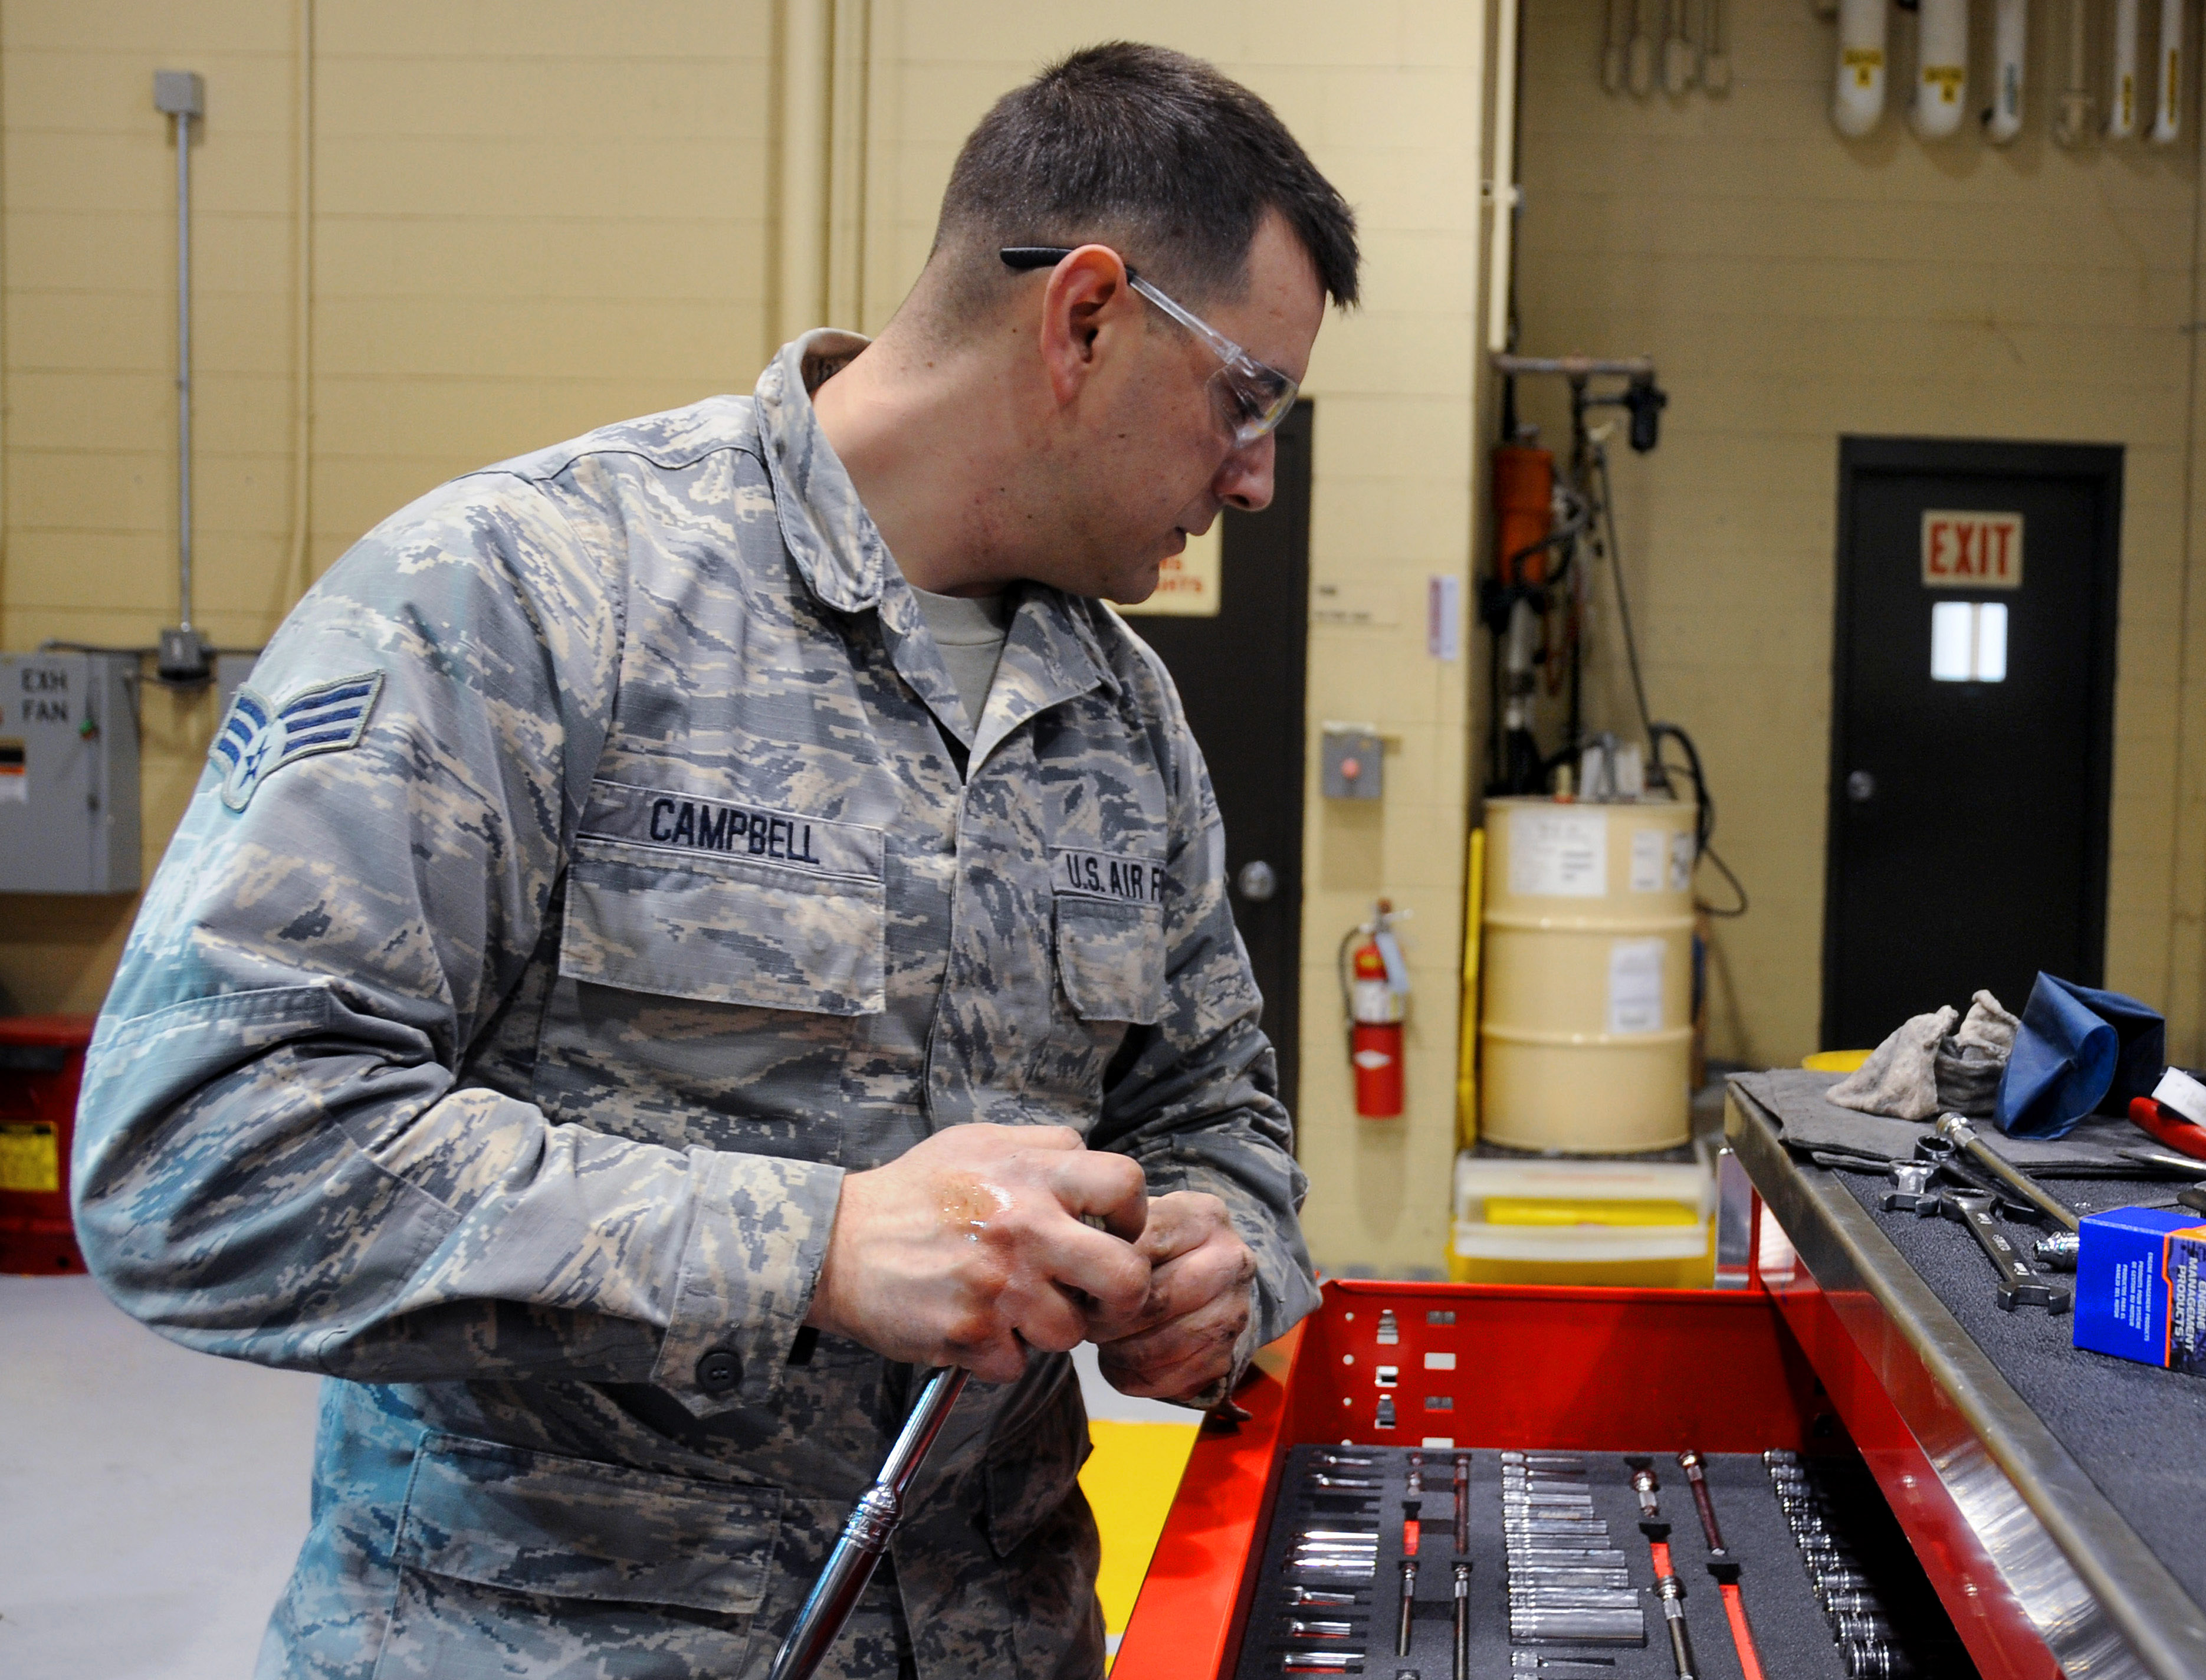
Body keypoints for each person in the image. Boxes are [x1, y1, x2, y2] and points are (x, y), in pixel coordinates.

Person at [73, 41, 1359, 1679]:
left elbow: (1217, 1117)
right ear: (1085, 316)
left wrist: (1221, 1259)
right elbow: (200, 1156)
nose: (1257, 475)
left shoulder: (1120, 717)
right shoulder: (526, 599)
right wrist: (811, 1248)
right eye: (1248, 400)